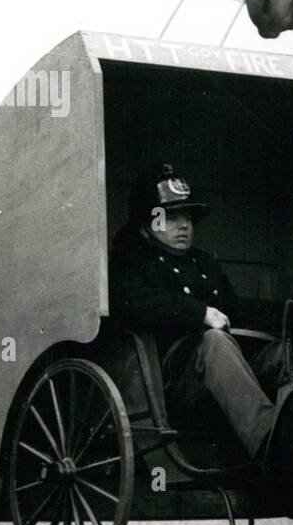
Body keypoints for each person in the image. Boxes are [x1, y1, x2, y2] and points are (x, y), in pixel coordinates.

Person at [109, 162, 277, 460]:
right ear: (147, 222)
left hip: (225, 384)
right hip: (171, 390)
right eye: (171, 217)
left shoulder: (203, 263)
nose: (184, 224)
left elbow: (239, 312)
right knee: (214, 341)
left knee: (282, 354)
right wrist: (199, 313)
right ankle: (271, 447)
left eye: (187, 216)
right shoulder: (131, 257)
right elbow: (129, 300)